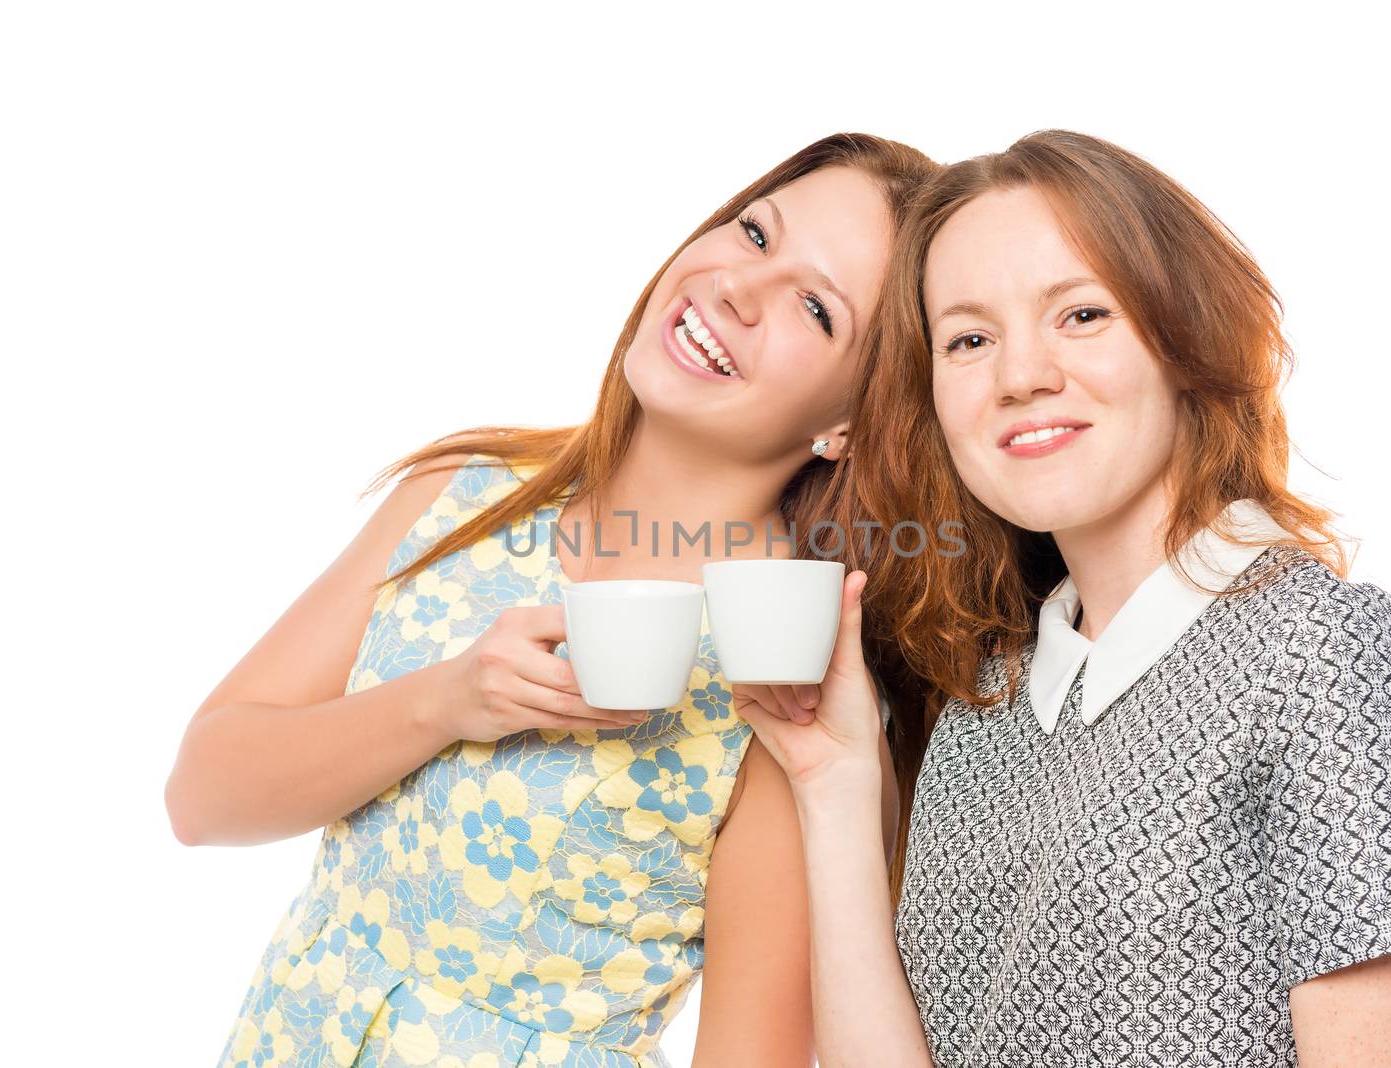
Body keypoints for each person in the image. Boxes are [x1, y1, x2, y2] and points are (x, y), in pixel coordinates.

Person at [164, 131, 938, 1067]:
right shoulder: (466, 493)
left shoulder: (780, 669)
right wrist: (446, 702)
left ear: (852, 423)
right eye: (754, 232)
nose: (738, 286)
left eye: (815, 307)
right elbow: (200, 796)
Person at [735, 130, 1391, 1067]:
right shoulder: (989, 698)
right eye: (968, 339)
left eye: (1080, 316)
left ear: (1185, 335)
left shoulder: (1311, 650)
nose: (1020, 375)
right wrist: (835, 783)